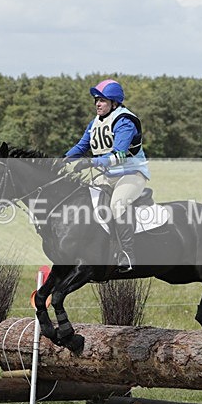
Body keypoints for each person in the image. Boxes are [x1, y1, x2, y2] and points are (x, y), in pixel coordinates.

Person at [65, 79, 150, 273]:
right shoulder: (95, 123)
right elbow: (81, 147)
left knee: (117, 205)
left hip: (131, 174)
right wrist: (61, 159)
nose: (97, 104)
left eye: (102, 100)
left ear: (114, 103)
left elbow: (119, 154)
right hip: (106, 175)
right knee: (82, 199)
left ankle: (127, 254)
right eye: (96, 100)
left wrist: (90, 162)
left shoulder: (125, 121)